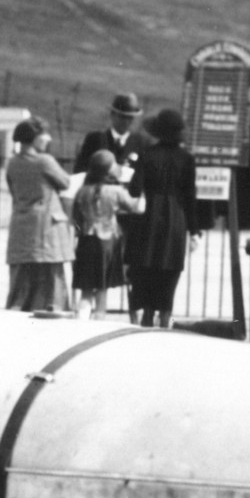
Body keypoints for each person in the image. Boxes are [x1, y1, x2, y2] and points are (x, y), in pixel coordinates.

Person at [124, 107, 199, 328]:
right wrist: (194, 230)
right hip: (176, 216)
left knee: (146, 264)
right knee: (170, 266)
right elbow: (190, 196)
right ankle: (165, 313)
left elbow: (135, 190)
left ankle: (147, 312)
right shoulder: (187, 159)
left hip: (149, 216)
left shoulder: (147, 155)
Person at [3, 117, 74, 312]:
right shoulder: (44, 161)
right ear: (34, 138)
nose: (48, 138)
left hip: (21, 228)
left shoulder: (12, 163)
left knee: (21, 285)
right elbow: (65, 182)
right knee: (52, 284)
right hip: (46, 230)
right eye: (44, 134)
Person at [70, 150, 141, 320]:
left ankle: (82, 320)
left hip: (86, 241)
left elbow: (76, 218)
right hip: (107, 242)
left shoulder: (83, 191)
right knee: (102, 288)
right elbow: (136, 207)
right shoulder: (115, 191)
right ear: (108, 170)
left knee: (86, 289)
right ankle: (99, 319)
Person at [75, 93, 145, 179]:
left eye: (130, 118)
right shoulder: (95, 139)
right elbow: (80, 170)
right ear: (112, 115)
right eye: (122, 117)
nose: (126, 122)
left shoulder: (140, 142)